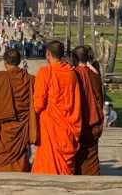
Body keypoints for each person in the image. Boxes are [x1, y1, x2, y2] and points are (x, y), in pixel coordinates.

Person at [31, 40, 82, 175]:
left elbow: (38, 103)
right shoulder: (72, 74)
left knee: (47, 167)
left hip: (50, 125)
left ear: (48, 54)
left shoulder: (45, 72)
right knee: (64, 167)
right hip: (68, 125)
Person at [0, 48, 34, 172]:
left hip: (5, 127)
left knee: (1, 158)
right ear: (19, 62)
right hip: (22, 126)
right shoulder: (30, 79)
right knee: (20, 156)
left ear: (5, 62)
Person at [72, 46, 104, 175]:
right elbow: (100, 98)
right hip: (94, 119)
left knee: (78, 153)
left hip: (78, 119)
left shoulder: (72, 74)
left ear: (74, 58)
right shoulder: (95, 75)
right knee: (92, 152)